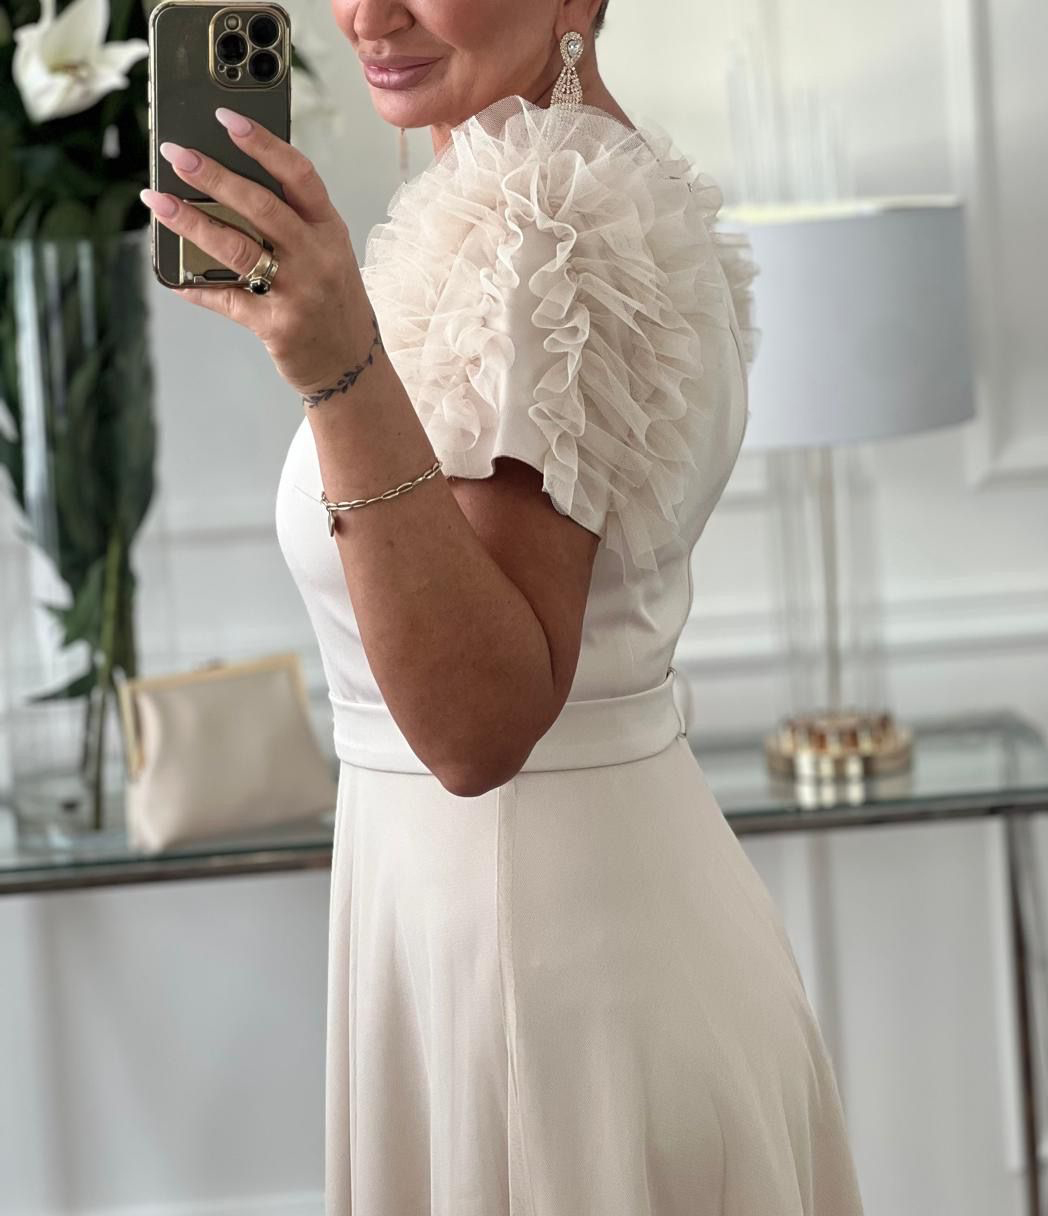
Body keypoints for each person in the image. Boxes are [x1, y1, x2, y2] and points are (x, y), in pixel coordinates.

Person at [140, 0, 867, 1211]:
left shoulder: (547, 233)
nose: (366, 15)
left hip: (546, 982)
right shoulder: (526, 196)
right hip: (524, 936)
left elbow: (478, 728)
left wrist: (337, 372)